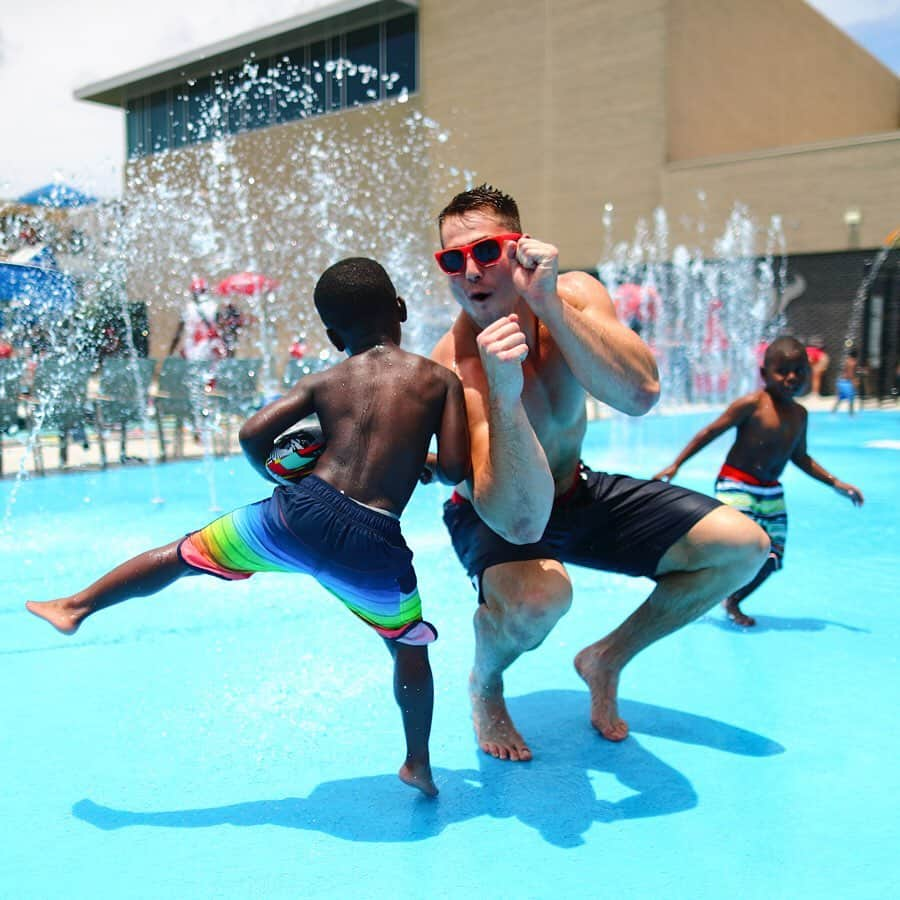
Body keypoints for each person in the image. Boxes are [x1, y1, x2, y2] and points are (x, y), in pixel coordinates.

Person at [26, 257, 471, 797]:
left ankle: (75, 607)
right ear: (399, 309)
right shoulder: (439, 381)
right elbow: (452, 468)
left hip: (295, 515)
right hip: (372, 544)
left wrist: (279, 473)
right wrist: (419, 465)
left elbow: (251, 434)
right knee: (408, 646)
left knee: (182, 554)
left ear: (332, 336)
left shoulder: (324, 379)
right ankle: (417, 764)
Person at [429, 184, 769, 760]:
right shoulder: (454, 366)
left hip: (575, 489)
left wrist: (551, 309)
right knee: (540, 600)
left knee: (743, 547)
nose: (469, 271)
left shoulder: (574, 294)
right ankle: (485, 682)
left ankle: (605, 658)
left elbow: (641, 394)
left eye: (486, 252)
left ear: (521, 249)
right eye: (451, 259)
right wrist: (504, 394)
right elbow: (517, 517)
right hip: (496, 513)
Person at [654, 336, 864, 627]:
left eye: (799, 371)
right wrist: (676, 464)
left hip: (770, 492)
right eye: (783, 371)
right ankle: (686, 576)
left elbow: (801, 457)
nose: (792, 377)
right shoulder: (752, 404)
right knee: (736, 544)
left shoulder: (800, 415)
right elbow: (710, 432)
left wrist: (836, 483)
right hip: (736, 484)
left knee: (773, 556)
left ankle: (733, 600)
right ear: (764, 374)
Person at [167, 277, 226, 363]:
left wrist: (171, 352)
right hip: (209, 349)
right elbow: (220, 328)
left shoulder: (189, 308)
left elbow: (178, 333)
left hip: (191, 350)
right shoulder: (213, 306)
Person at [832, 349, 859, 415]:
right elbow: (850, 374)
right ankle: (851, 416)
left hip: (840, 382)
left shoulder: (847, 361)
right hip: (847, 383)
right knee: (851, 399)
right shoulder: (853, 362)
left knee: (840, 399)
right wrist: (854, 382)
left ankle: (832, 413)